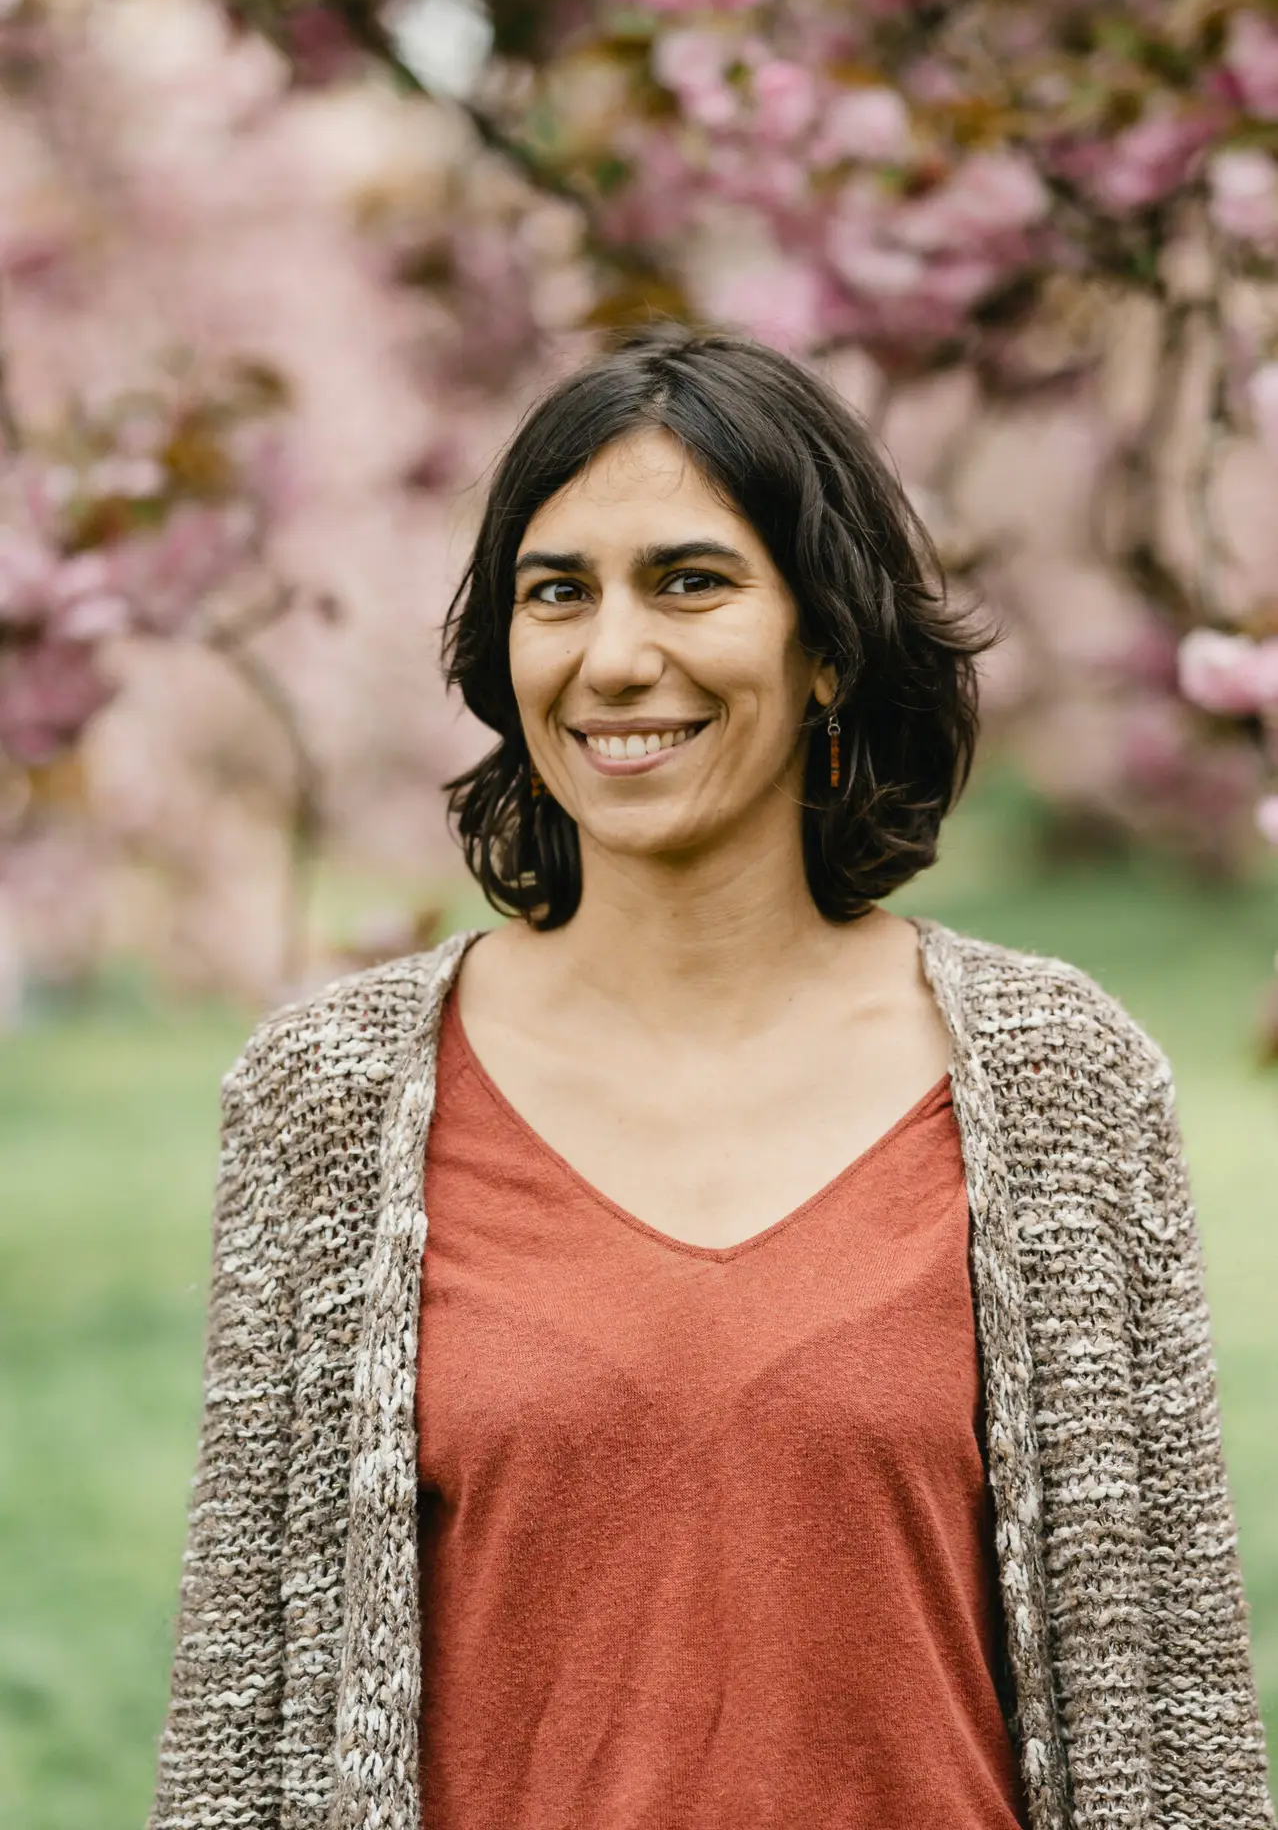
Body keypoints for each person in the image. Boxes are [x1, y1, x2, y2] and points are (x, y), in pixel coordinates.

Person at [148, 327, 1273, 1830]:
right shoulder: (325, 1102)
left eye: (689, 581)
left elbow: (1174, 1714)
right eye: (559, 593)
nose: (614, 657)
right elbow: (241, 1710)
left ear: (826, 646)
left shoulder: (1064, 1086)